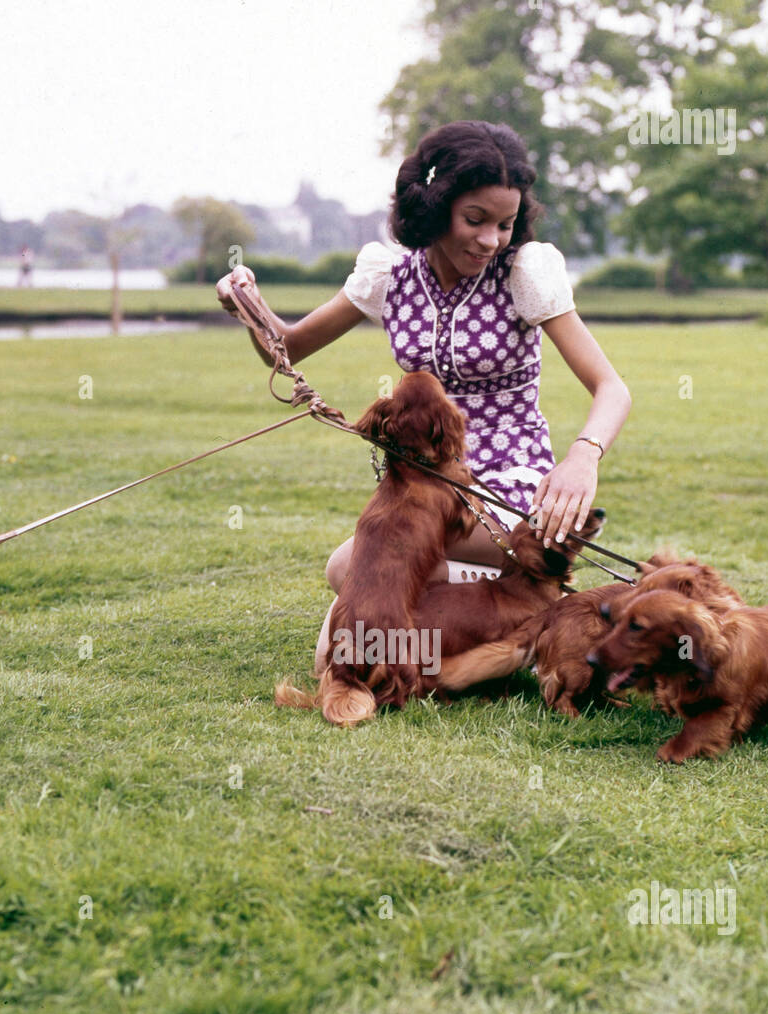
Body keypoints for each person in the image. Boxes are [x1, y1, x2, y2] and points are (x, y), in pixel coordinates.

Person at [217, 120, 632, 673]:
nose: (490, 240)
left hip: (515, 484)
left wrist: (582, 458)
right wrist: (248, 306)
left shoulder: (524, 274)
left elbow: (612, 387)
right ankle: (516, 616)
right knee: (343, 581)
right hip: (428, 486)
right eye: (475, 220)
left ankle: (511, 616)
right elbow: (285, 350)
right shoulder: (389, 274)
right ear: (435, 208)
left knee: (356, 578)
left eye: (505, 224)